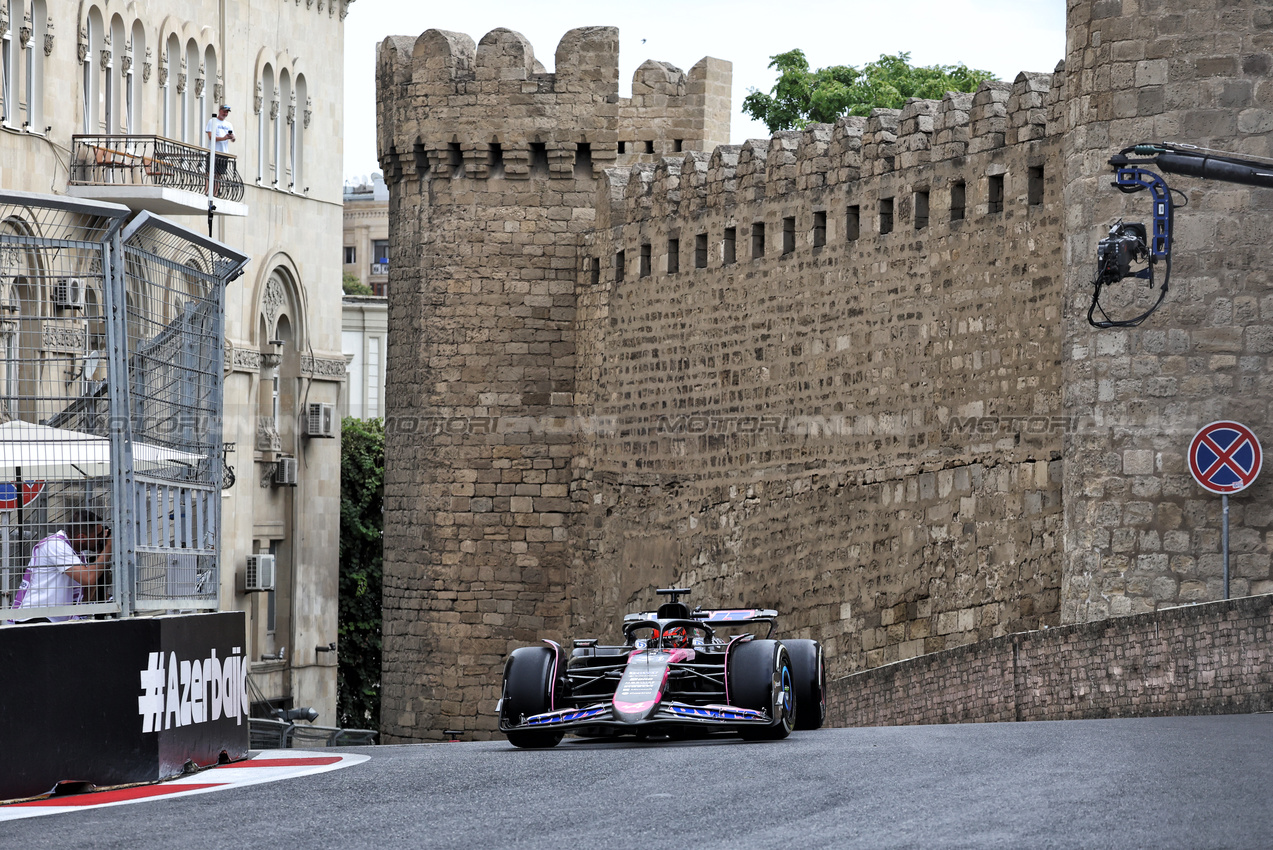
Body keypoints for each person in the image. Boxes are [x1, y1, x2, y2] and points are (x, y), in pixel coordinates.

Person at [9, 510, 113, 623]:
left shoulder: (77, 553)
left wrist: (101, 554)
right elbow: (88, 578)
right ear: (82, 537)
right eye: (99, 535)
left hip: (55, 619)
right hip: (35, 617)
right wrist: (108, 549)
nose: (102, 537)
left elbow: (85, 597)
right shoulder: (56, 545)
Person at [204, 105, 235, 192]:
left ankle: (215, 192)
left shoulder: (229, 124)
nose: (225, 113)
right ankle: (206, 190)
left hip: (223, 153)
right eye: (224, 111)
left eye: (227, 112)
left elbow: (234, 139)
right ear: (219, 111)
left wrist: (232, 137)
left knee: (219, 174)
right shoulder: (212, 121)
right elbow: (211, 137)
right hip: (213, 151)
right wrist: (223, 138)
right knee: (209, 172)